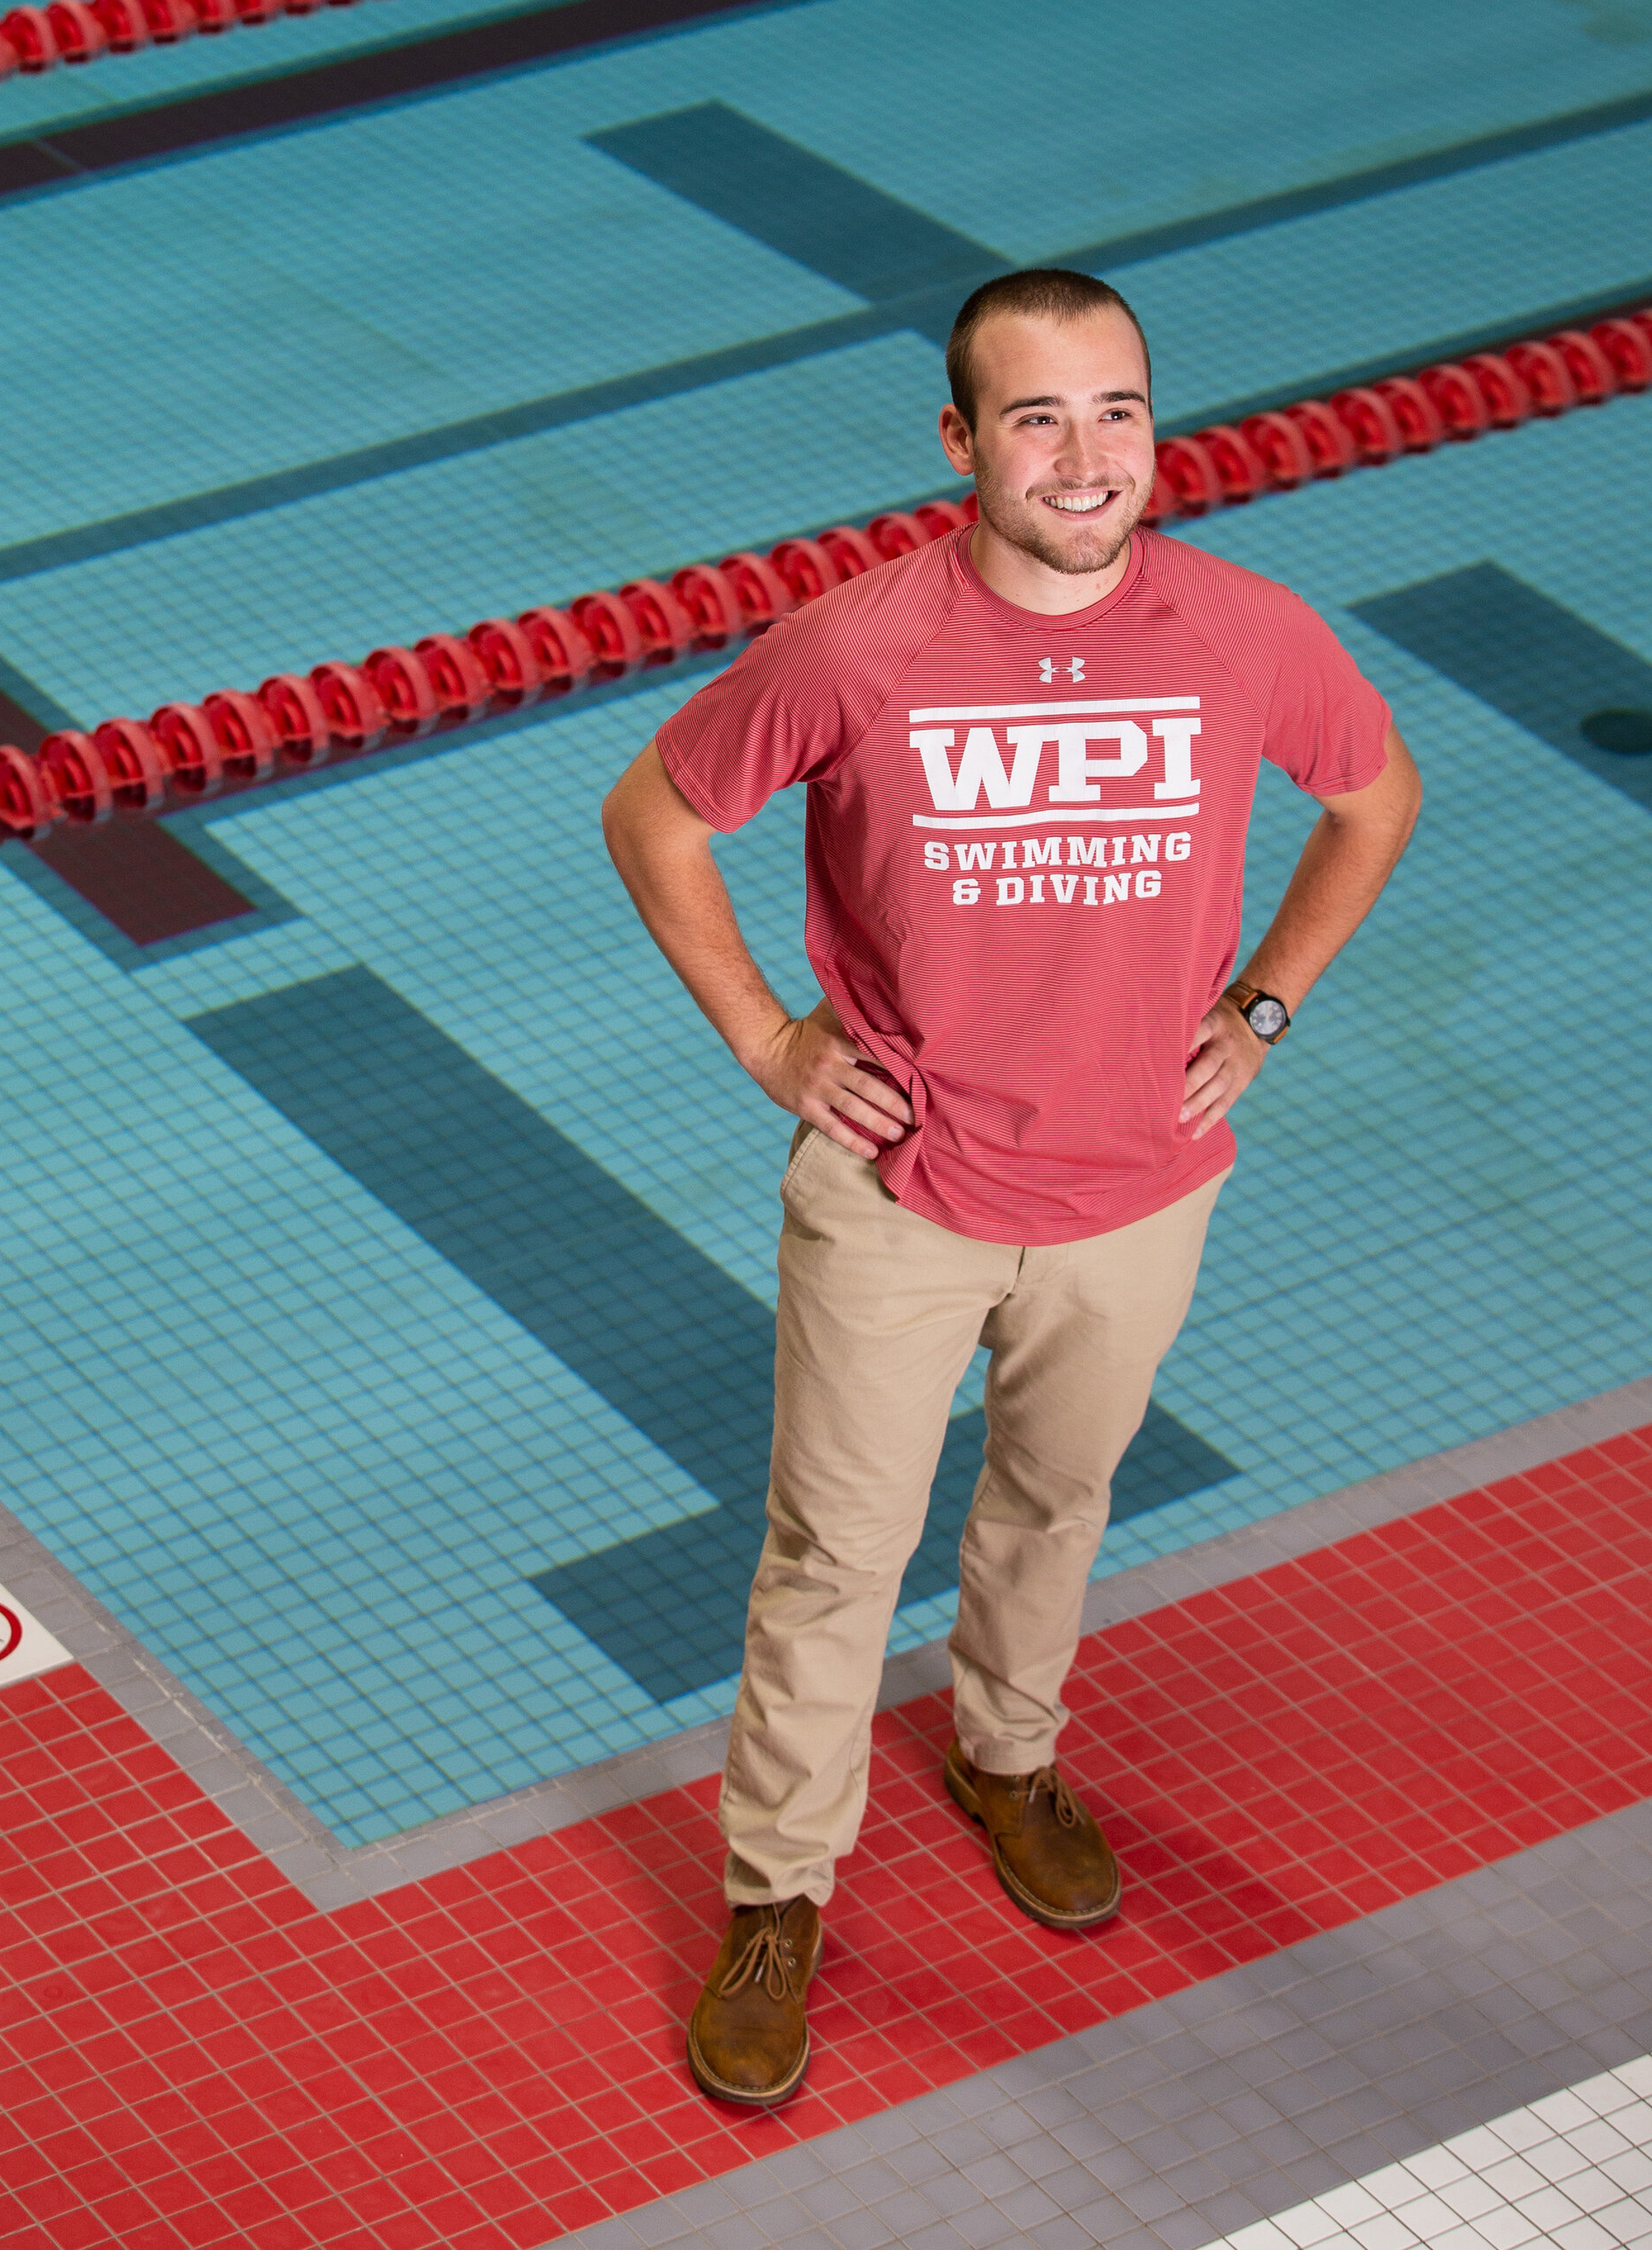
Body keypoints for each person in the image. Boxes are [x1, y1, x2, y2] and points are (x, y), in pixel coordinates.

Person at [601, 268, 1421, 2111]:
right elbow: (651, 814)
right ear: (960, 442)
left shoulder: (1239, 629)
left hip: (1140, 1186)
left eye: (1114, 411)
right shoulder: (852, 646)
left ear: (1152, 427)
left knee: (1054, 1499)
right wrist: (763, 1040)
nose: (1083, 454)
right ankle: (776, 1893)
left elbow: (1371, 796)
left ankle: (1003, 1753)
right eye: (1035, 418)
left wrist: (1264, 1006)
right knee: (831, 1557)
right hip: (899, 1190)